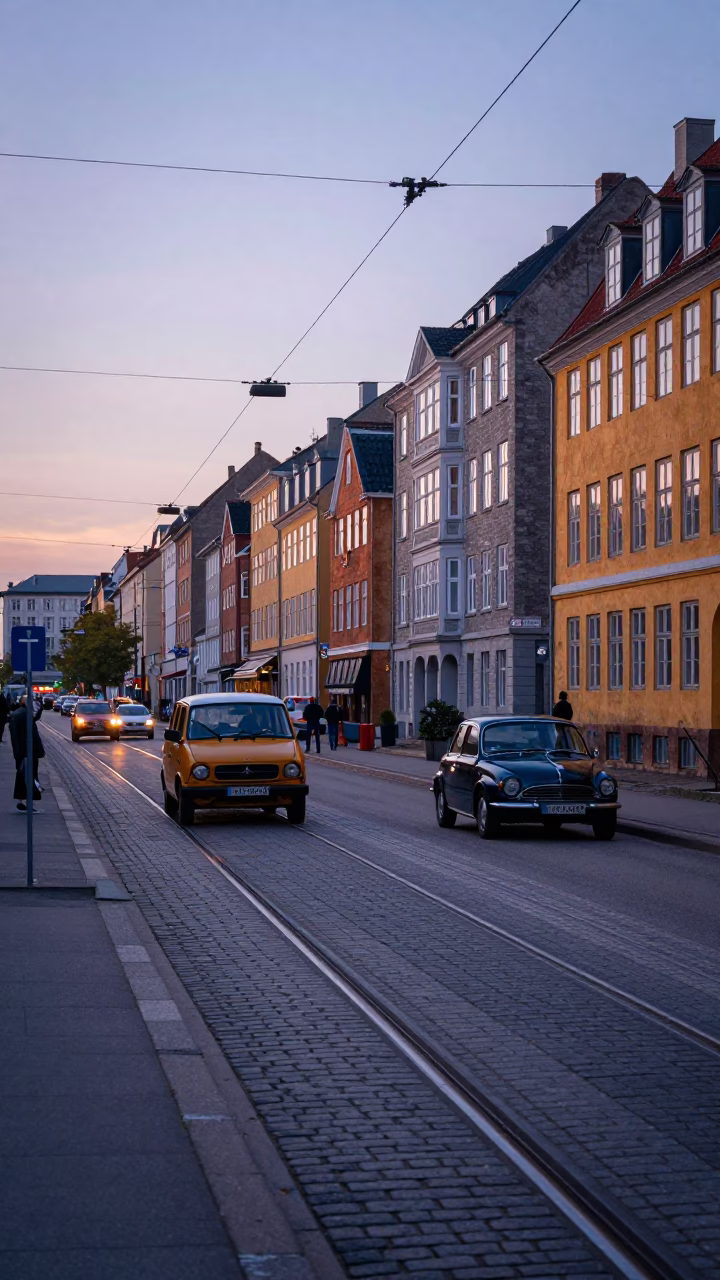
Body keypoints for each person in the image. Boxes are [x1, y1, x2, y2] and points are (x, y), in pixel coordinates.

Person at [9, 695, 45, 811]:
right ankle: (29, 803)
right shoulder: (24, 714)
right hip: (28, 751)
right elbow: (30, 734)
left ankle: (21, 800)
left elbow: (34, 718)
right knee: (30, 776)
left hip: (20, 751)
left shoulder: (19, 713)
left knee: (22, 776)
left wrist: (40, 708)